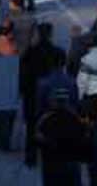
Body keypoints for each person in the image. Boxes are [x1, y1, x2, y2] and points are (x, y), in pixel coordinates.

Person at [20, 23, 67, 167]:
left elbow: (23, 74)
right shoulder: (58, 53)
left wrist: (22, 91)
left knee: (31, 126)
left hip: (32, 94)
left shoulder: (29, 53)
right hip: (50, 95)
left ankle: (31, 155)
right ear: (50, 34)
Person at [35, 90, 89, 186]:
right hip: (71, 164)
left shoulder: (45, 119)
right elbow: (84, 138)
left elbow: (39, 140)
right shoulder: (75, 118)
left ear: (53, 102)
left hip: (52, 165)